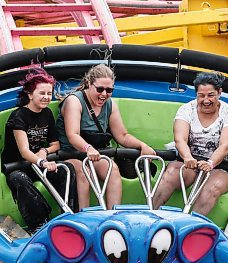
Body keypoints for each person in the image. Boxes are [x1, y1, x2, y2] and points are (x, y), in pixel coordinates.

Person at [56, 64, 155, 209]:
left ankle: (112, 216)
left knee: (112, 169)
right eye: (100, 89)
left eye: (109, 90)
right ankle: (84, 218)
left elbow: (122, 135)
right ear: (89, 83)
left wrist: (143, 145)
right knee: (84, 173)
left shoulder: (110, 105)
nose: (104, 94)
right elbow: (73, 135)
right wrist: (88, 148)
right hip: (72, 153)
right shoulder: (74, 101)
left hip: (96, 155)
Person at [153, 71, 228, 216]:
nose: (206, 100)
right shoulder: (187, 110)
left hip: (222, 166)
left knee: (212, 188)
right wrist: (188, 157)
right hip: (191, 162)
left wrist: (211, 163)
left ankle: (190, 227)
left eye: (211, 95)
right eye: (201, 96)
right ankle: (151, 215)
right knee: (171, 173)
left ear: (219, 93)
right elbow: (180, 139)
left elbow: (226, 145)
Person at [1, 67, 78, 234]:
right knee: (19, 179)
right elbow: (24, 151)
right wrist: (42, 161)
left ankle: (70, 215)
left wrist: (44, 151)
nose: (46, 97)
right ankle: (38, 223)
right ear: (30, 94)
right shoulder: (19, 116)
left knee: (67, 170)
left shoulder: (47, 113)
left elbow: (55, 144)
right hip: (18, 166)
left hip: (37, 163)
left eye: (49, 94)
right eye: (42, 93)